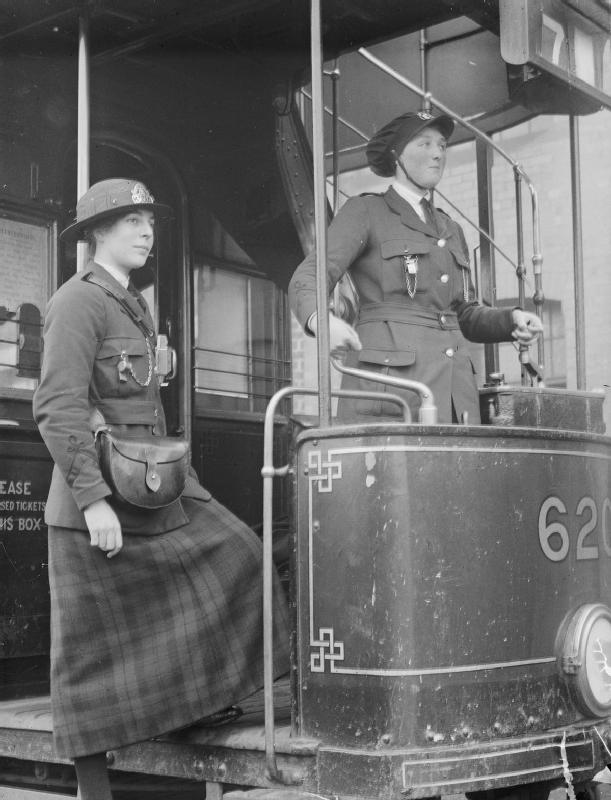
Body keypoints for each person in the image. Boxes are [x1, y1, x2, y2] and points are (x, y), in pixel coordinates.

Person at [33, 178, 289, 800]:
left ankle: (196, 709)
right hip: (95, 502)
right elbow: (56, 407)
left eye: (150, 220)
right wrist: (94, 501)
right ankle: (95, 792)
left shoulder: (133, 303)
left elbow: (150, 414)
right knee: (91, 665)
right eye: (131, 221)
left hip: (153, 488)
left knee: (241, 555)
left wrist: (189, 489)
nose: (148, 232)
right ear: (96, 234)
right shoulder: (77, 302)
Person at [289, 111, 543, 424]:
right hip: (392, 395)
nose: (437, 153)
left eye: (442, 146)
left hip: (453, 397)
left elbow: (463, 314)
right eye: (424, 144)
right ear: (396, 155)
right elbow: (308, 276)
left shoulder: (450, 228)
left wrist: (511, 320)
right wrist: (322, 322)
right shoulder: (366, 211)